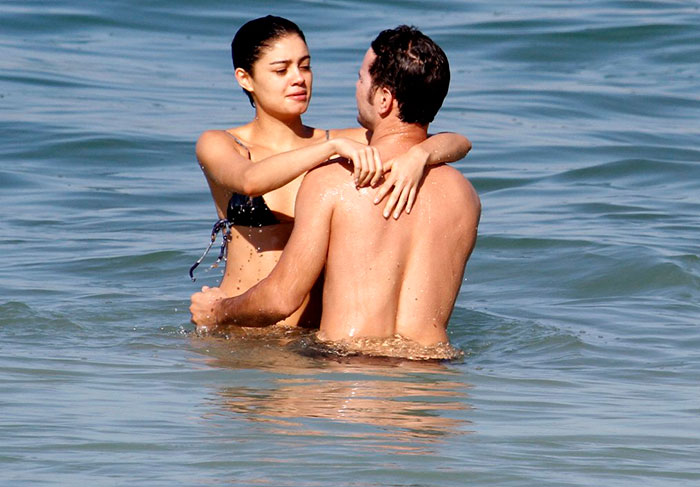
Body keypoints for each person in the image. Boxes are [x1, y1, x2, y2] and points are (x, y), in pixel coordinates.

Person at [191, 25, 481, 353]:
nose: (298, 78)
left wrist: (421, 155)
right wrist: (330, 150)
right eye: (281, 69)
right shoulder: (224, 143)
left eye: (305, 65)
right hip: (242, 331)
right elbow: (249, 180)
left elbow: (430, 133)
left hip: (309, 341)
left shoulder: (345, 148)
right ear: (245, 78)